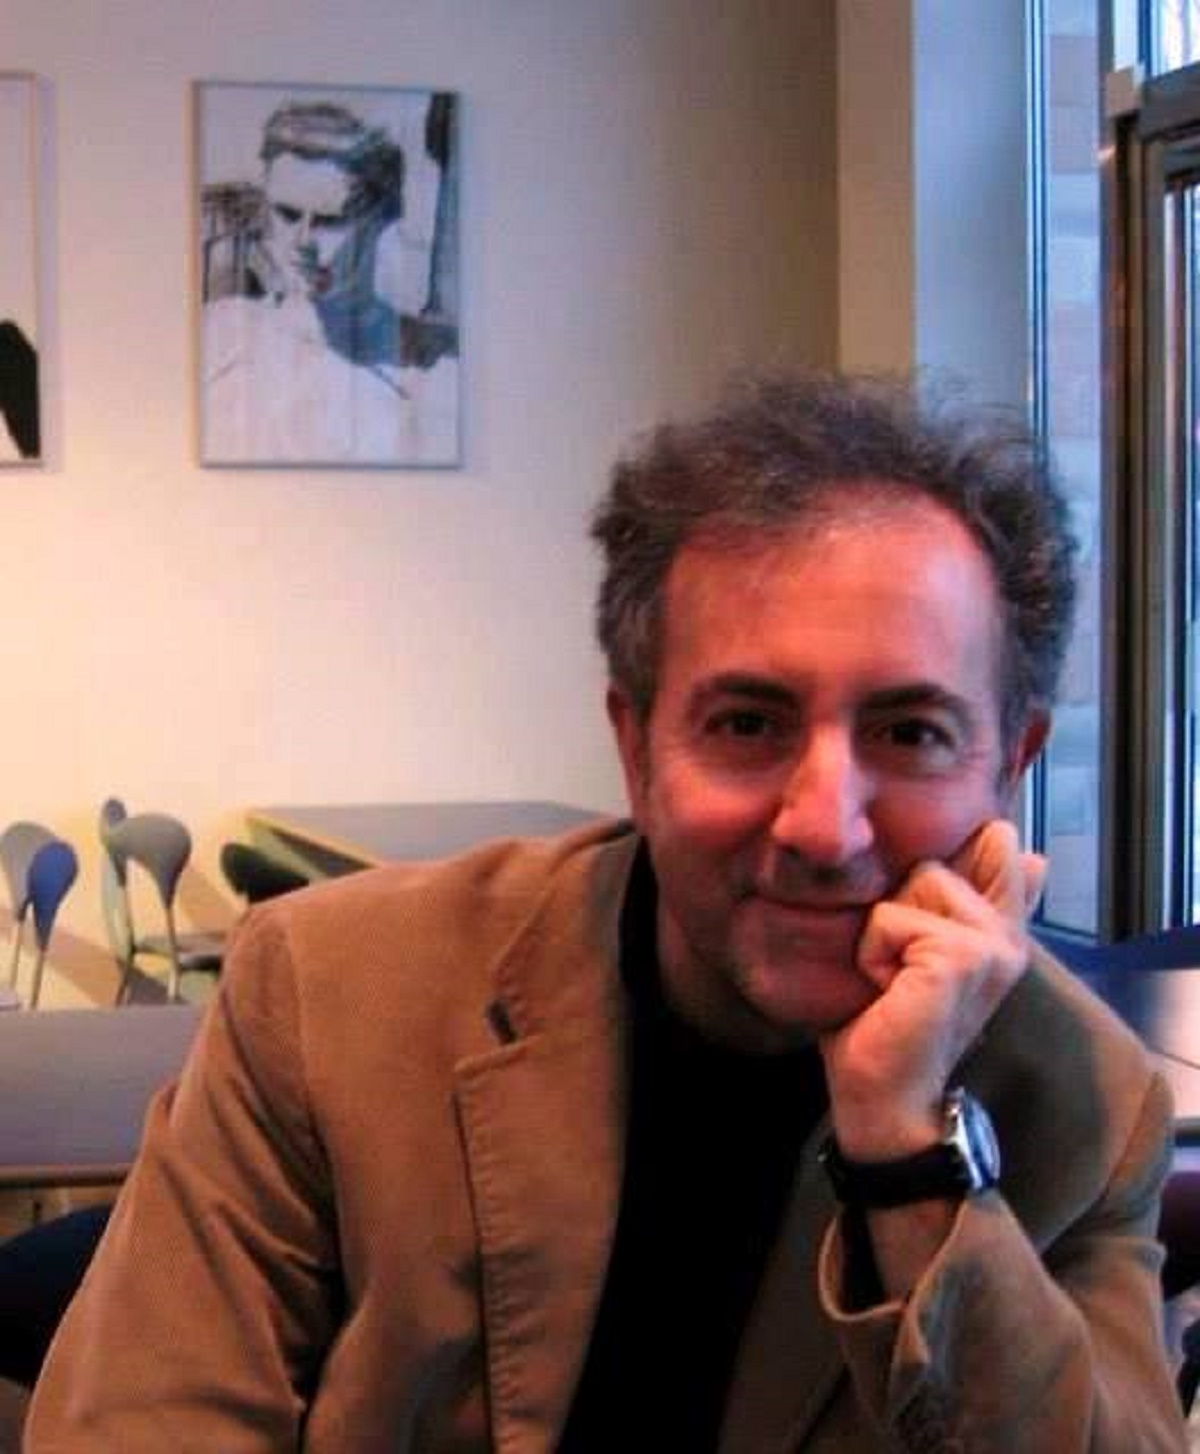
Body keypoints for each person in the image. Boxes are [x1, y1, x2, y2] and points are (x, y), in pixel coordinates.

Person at [27, 373, 1186, 1451]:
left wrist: (909, 1149)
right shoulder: (328, 995)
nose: (824, 826)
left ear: (1011, 766)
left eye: (910, 731)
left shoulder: (1086, 1100)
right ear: (636, 748)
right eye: (747, 723)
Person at [202, 99, 457, 466]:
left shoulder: (437, 376)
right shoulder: (218, 336)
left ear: (380, 223)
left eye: (329, 221)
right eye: (286, 213)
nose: (301, 241)